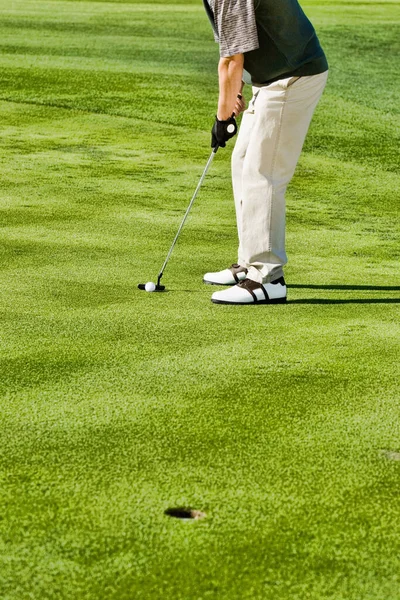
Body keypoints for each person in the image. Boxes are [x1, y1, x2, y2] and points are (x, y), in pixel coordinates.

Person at [202, 0, 328, 304]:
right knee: (242, 161)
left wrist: (222, 120)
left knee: (263, 172)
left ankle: (268, 277)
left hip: (293, 76)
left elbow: (232, 59)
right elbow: (237, 43)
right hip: (271, 77)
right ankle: (248, 262)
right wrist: (236, 91)